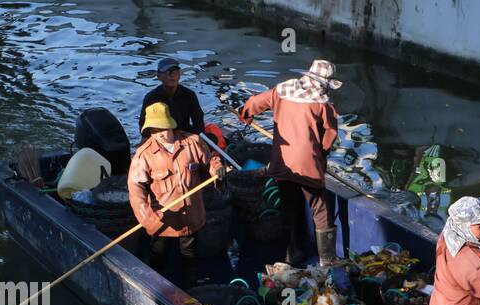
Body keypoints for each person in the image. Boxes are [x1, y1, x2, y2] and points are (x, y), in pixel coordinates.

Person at [237, 59, 340, 266]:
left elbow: (254, 103)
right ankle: (327, 260)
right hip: (309, 166)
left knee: (289, 208)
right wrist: (322, 156)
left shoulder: (282, 90)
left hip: (282, 164)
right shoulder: (323, 103)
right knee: (320, 208)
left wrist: (244, 113)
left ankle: (292, 254)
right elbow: (330, 135)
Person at [127, 102, 224, 290]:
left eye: (162, 127)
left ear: (171, 125)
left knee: (190, 257)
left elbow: (210, 161)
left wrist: (216, 169)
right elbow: (136, 190)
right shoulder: (143, 156)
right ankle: (155, 289)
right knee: (158, 256)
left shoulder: (193, 142)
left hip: (192, 217)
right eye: (154, 129)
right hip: (163, 222)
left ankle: (191, 289)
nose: (160, 133)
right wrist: (148, 219)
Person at [138, 57, 205, 141]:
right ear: (159, 76)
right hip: (160, 138)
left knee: (210, 138)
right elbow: (143, 126)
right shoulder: (151, 97)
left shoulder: (189, 95)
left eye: (175, 71)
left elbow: (198, 123)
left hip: (184, 136)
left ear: (179, 75)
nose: (172, 74)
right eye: (167, 71)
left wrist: (195, 140)